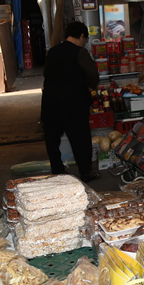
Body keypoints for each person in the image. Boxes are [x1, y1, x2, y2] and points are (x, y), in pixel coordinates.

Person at [41, 22, 100, 182]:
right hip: (74, 102)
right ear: (81, 36)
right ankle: (86, 172)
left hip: (51, 101)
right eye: (84, 39)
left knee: (52, 138)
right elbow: (93, 76)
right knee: (80, 138)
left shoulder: (52, 52)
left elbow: (46, 73)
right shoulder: (80, 52)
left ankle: (58, 171)